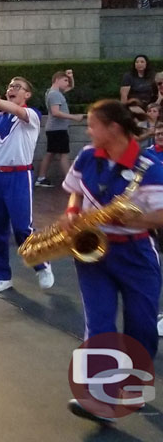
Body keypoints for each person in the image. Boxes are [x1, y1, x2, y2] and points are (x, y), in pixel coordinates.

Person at [60, 100, 163, 424]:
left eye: (93, 125)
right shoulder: (88, 156)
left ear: (113, 129)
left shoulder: (151, 166)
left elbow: (160, 215)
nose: (88, 131)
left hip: (136, 253)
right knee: (99, 324)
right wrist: (73, 213)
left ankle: (134, 386)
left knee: (141, 327)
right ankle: (101, 400)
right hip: (93, 254)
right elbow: (74, 192)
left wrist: (130, 218)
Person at [0, 77, 54, 293]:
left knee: (22, 227)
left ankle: (42, 264)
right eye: (10, 86)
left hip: (19, 176)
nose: (12, 89)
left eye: (17, 87)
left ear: (27, 94)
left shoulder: (31, 115)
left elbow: (16, 111)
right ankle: (2, 276)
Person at [36, 70, 85, 187]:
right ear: (57, 80)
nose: (67, 83)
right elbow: (55, 112)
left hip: (55, 129)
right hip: (57, 129)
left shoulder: (53, 92)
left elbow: (71, 86)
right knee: (64, 154)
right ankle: (70, 182)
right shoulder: (54, 94)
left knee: (50, 153)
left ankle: (41, 178)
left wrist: (70, 76)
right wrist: (74, 117)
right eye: (65, 80)